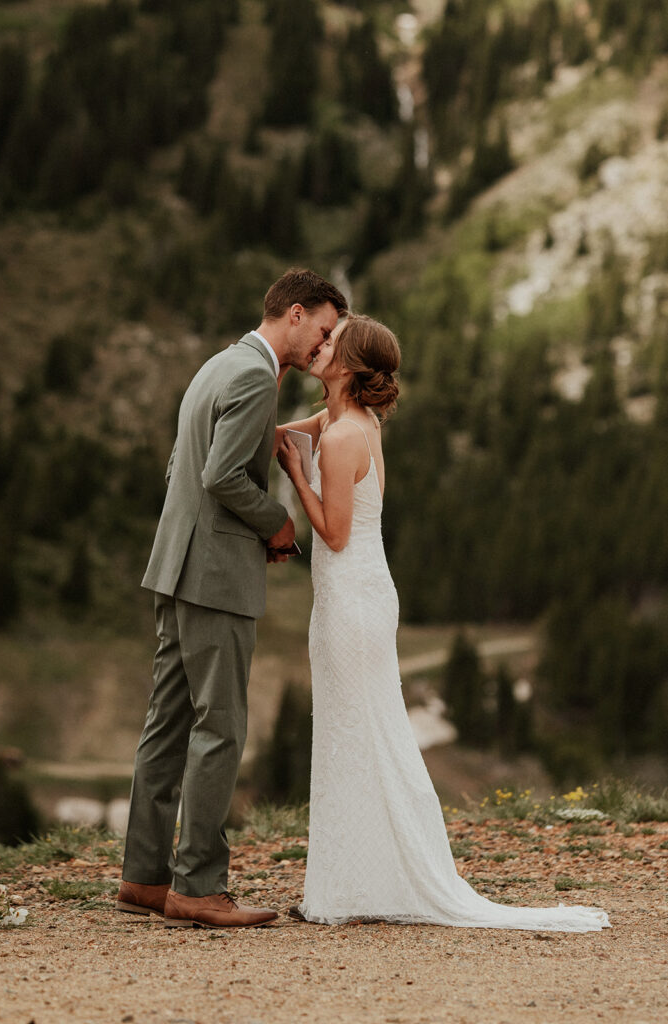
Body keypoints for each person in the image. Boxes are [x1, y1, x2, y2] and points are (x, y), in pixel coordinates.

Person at [276, 313, 610, 931]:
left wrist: (296, 474)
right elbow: (289, 429)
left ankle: (349, 889)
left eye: (331, 342)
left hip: (351, 597)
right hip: (359, 598)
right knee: (360, 734)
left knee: (357, 734)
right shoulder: (348, 420)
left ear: (348, 366)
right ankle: (351, 884)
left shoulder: (346, 435)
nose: (320, 346)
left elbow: (335, 532)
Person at [117, 268, 347, 929]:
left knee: (165, 728)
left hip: (177, 567)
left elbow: (179, 466)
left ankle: (144, 877)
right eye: (323, 331)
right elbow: (220, 476)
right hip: (214, 576)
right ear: (295, 313)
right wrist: (274, 522)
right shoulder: (252, 376)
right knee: (220, 728)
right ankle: (198, 886)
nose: (323, 346)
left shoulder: (222, 363)